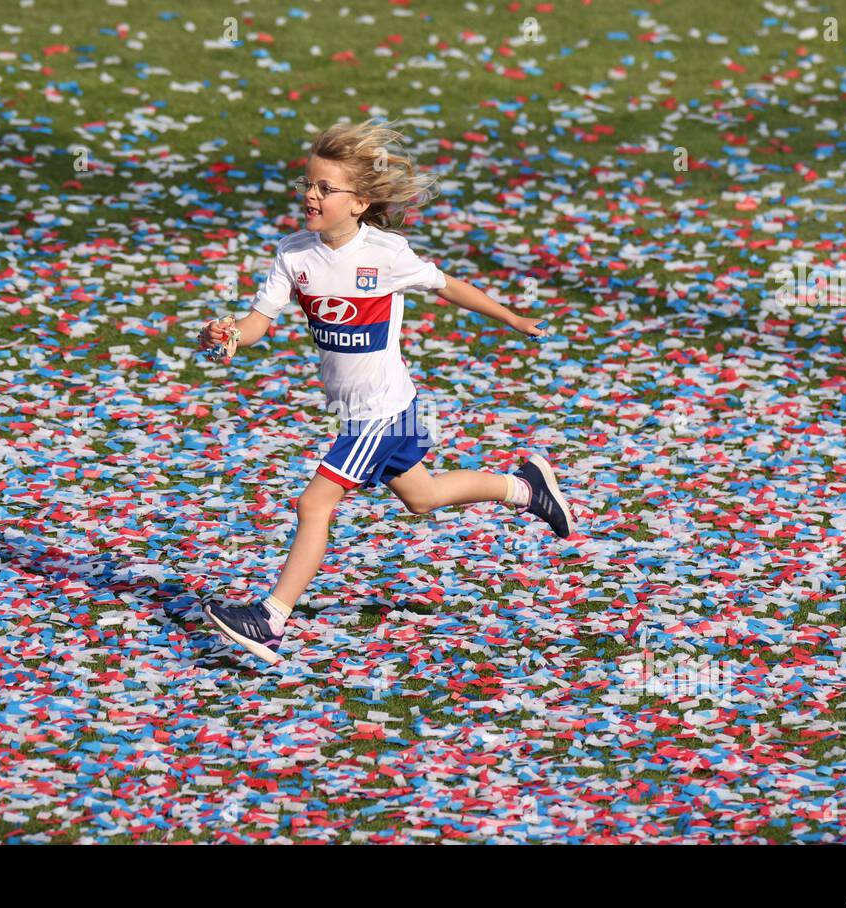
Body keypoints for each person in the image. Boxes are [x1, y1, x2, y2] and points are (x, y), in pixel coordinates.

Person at [197, 119, 575, 664]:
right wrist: (229, 335)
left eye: (326, 188)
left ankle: (270, 620)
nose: (311, 195)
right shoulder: (293, 254)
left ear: (358, 202)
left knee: (313, 503)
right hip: (365, 410)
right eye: (308, 184)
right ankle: (526, 489)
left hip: (381, 409)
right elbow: (258, 321)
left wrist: (511, 317)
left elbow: (448, 287)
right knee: (423, 497)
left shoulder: (386, 252)